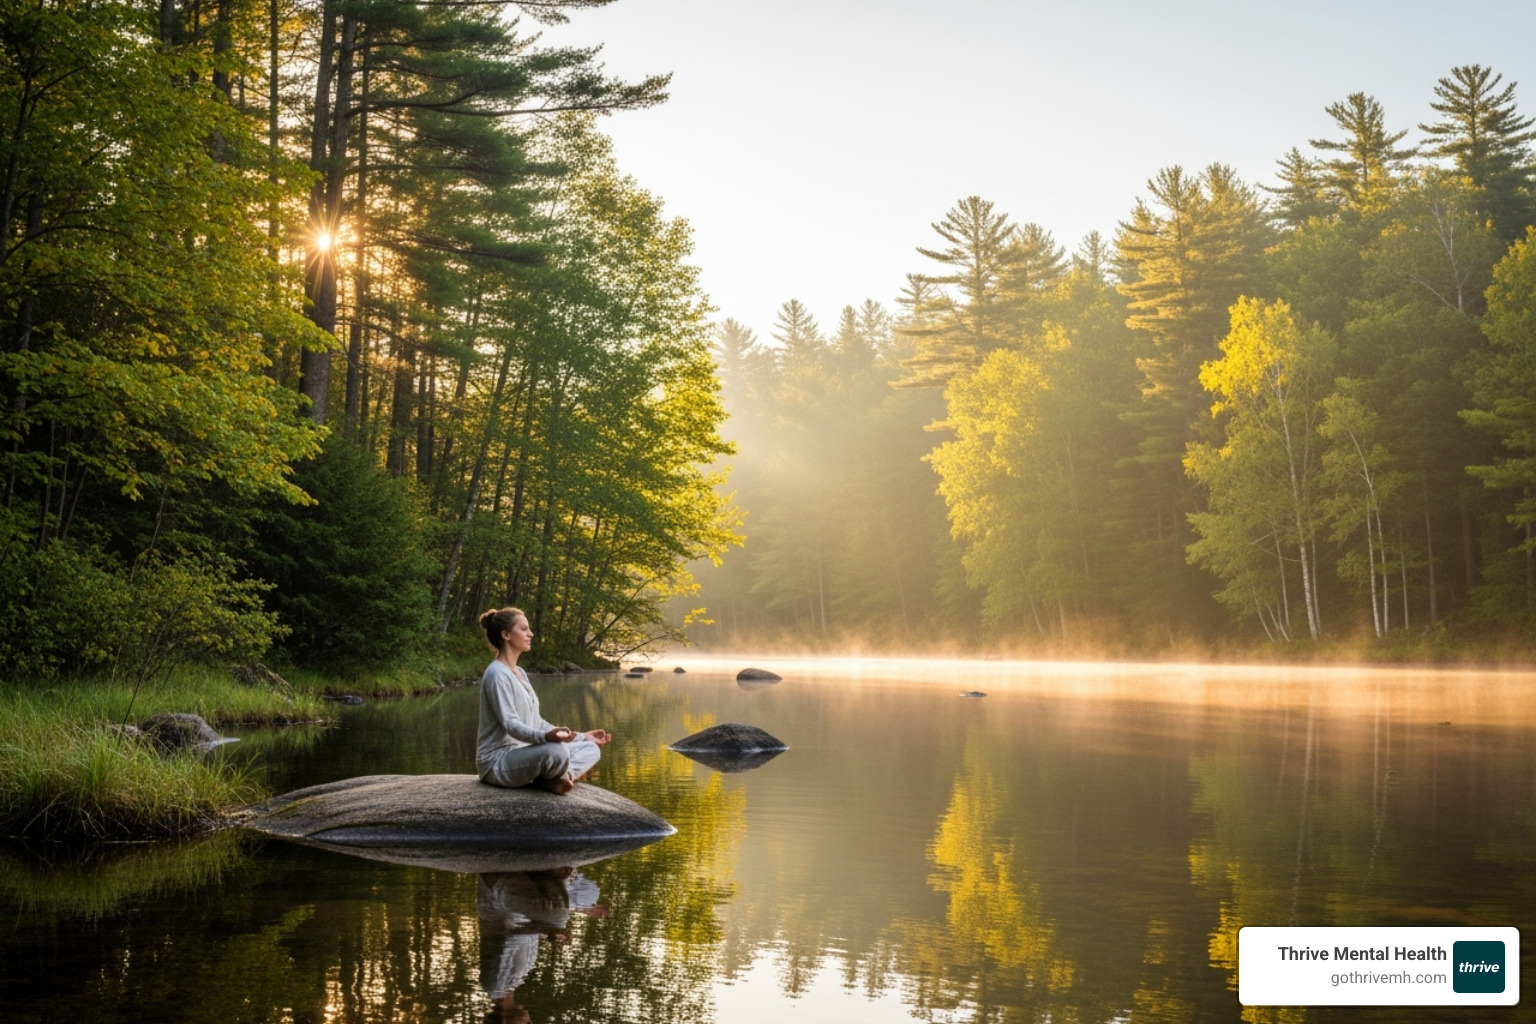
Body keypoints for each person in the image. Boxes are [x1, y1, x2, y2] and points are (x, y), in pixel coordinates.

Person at [476, 607, 610, 794]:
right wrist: (546, 738)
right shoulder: (496, 674)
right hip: (498, 762)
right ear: (506, 634)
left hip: (525, 754)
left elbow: (536, 722)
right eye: (523, 629)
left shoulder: (520, 673)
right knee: (556, 752)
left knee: (591, 748)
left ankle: (563, 777)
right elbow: (510, 724)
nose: (530, 634)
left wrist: (580, 736)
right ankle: (552, 778)